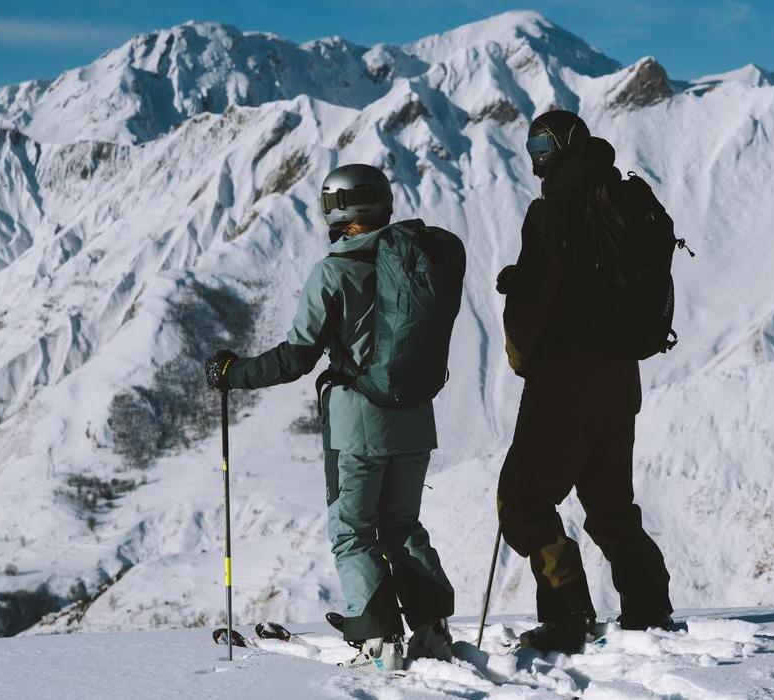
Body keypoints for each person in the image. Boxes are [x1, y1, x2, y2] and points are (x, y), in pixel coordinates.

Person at [204, 164, 457, 672]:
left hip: (359, 427)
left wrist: (233, 374)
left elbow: (297, 357)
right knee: (403, 525)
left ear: (336, 210)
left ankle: (380, 641)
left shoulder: (335, 272)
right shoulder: (419, 263)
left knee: (353, 531)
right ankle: (431, 630)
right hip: (416, 422)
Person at [495, 110, 675, 654]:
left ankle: (567, 615)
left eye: (544, 142)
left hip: (564, 380)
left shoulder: (552, 211)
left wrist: (523, 353)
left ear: (565, 145)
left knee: (522, 501)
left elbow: (541, 301)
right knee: (611, 505)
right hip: (621, 378)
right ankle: (648, 610)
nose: (536, 152)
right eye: (531, 141)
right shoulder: (622, 198)